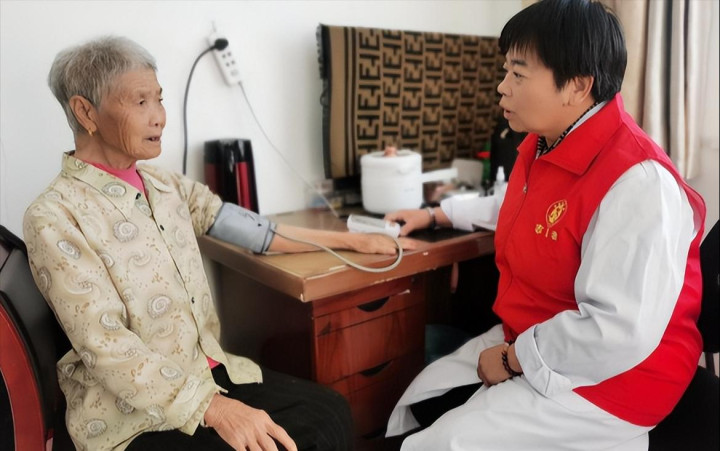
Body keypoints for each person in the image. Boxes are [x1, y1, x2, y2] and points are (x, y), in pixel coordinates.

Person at [23, 35, 412, 451]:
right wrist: (216, 409)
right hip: (130, 416)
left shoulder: (164, 185)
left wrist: (352, 241)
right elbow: (105, 346)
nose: (159, 118)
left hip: (208, 373)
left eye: (159, 99)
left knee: (329, 414)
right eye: (141, 102)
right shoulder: (54, 216)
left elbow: (255, 231)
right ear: (86, 111)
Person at [383, 0, 706, 449]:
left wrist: (512, 360)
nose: (502, 87)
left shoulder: (639, 182)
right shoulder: (548, 142)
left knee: (440, 444)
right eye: (506, 71)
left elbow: (616, 331)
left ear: (577, 86)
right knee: (421, 396)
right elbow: (518, 203)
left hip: (615, 377)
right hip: (539, 333)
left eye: (518, 74)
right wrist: (436, 214)